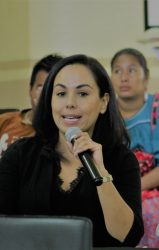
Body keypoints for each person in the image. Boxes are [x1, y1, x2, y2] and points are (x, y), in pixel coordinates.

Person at [0, 54, 144, 247]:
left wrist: (100, 172)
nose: (70, 103)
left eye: (82, 94)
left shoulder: (122, 159)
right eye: (60, 94)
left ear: (103, 102)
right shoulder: (19, 155)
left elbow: (128, 237)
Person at [110, 48, 159, 248]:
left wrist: (131, 189)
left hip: (153, 190)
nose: (124, 78)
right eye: (117, 71)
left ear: (146, 78)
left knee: (143, 212)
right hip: (114, 187)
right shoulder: (105, 112)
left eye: (131, 71)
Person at [0, 54, 63, 157]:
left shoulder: (64, 134)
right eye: (41, 88)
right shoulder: (4, 121)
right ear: (30, 90)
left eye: (54, 89)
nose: (45, 96)